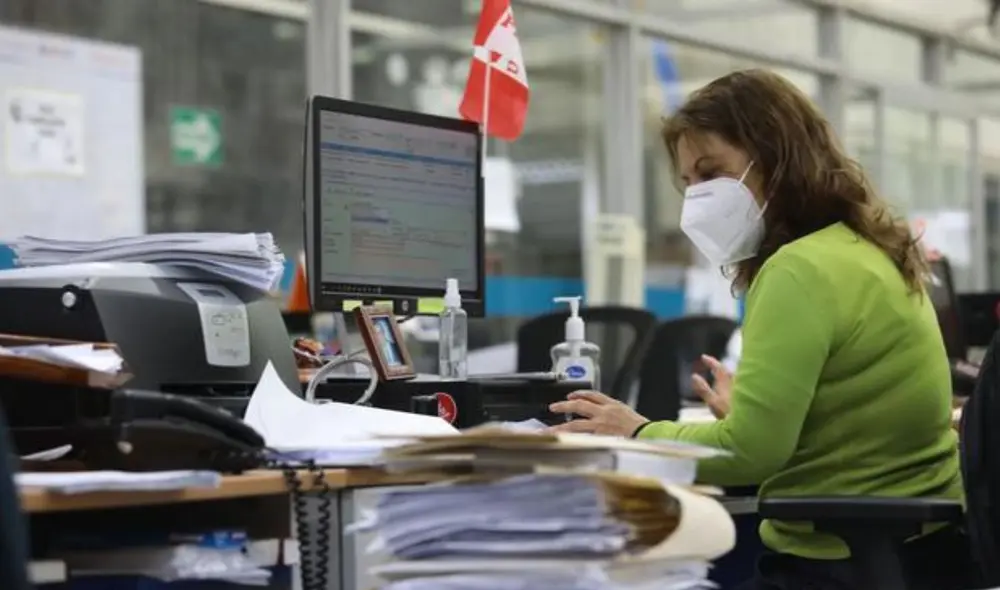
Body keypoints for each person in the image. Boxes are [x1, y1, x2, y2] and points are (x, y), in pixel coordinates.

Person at [550, 69, 969, 590]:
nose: (697, 199)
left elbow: (752, 453)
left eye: (712, 173)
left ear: (777, 157)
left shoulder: (798, 269)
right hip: (923, 553)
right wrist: (750, 417)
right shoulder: (863, 249)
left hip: (835, 563)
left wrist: (636, 432)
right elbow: (852, 413)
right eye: (688, 184)